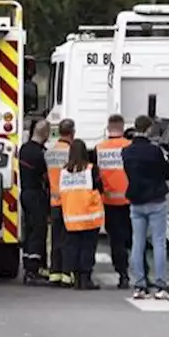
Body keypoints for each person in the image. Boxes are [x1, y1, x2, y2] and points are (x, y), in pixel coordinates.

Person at [122, 115, 169, 299]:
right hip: (156, 199)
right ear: (149, 129)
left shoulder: (126, 152)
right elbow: (166, 174)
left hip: (136, 200)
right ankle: (160, 284)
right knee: (158, 243)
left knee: (138, 242)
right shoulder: (155, 151)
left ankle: (139, 284)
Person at [94, 114, 133, 289]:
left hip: (109, 201)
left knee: (116, 240)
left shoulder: (99, 148)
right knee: (131, 239)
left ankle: (122, 273)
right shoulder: (129, 146)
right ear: (122, 127)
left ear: (108, 129)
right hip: (130, 200)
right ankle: (138, 272)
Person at [60, 139, 105, 290]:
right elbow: (100, 187)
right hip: (90, 216)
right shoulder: (91, 169)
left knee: (73, 247)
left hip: (71, 217)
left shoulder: (64, 171)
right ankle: (86, 278)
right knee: (87, 248)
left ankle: (77, 278)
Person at [18, 118, 51, 285]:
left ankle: (27, 266)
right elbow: (46, 177)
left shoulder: (24, 149)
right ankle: (33, 269)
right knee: (38, 231)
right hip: (37, 194)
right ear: (45, 134)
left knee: (29, 230)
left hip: (25, 193)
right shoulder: (41, 154)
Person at [45, 119, 75, 287]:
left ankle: (54, 273)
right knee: (68, 240)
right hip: (69, 202)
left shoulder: (50, 152)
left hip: (54, 201)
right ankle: (66, 273)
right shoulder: (71, 152)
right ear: (72, 133)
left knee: (55, 239)